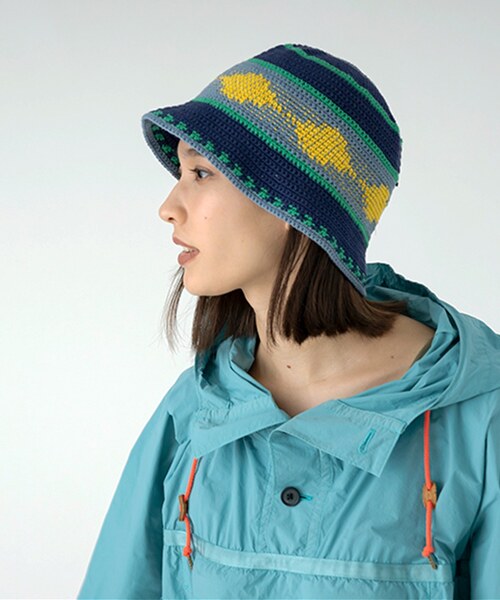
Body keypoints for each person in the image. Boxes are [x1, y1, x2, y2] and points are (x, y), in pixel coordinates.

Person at [77, 43, 500, 599]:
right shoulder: (195, 410)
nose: (169, 207)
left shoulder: (479, 415)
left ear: (286, 200)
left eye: (200, 173)